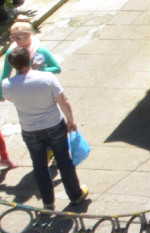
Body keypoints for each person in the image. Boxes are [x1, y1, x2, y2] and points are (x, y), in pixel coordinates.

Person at [2, 47, 87, 210]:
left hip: (30, 130)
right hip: (54, 125)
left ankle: (48, 201)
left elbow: (10, 99)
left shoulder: (7, 85)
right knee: (64, 161)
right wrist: (71, 120)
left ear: (12, 65)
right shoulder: (46, 77)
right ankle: (75, 195)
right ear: (30, 60)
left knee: (39, 165)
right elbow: (63, 101)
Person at [1, 18, 61, 168]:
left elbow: (57, 68)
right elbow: (5, 74)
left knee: (49, 118)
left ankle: (54, 151)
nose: (14, 41)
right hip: (24, 91)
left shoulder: (40, 50)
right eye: (12, 37)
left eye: (18, 37)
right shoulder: (12, 52)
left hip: (43, 89)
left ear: (29, 35)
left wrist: (39, 70)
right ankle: (49, 150)